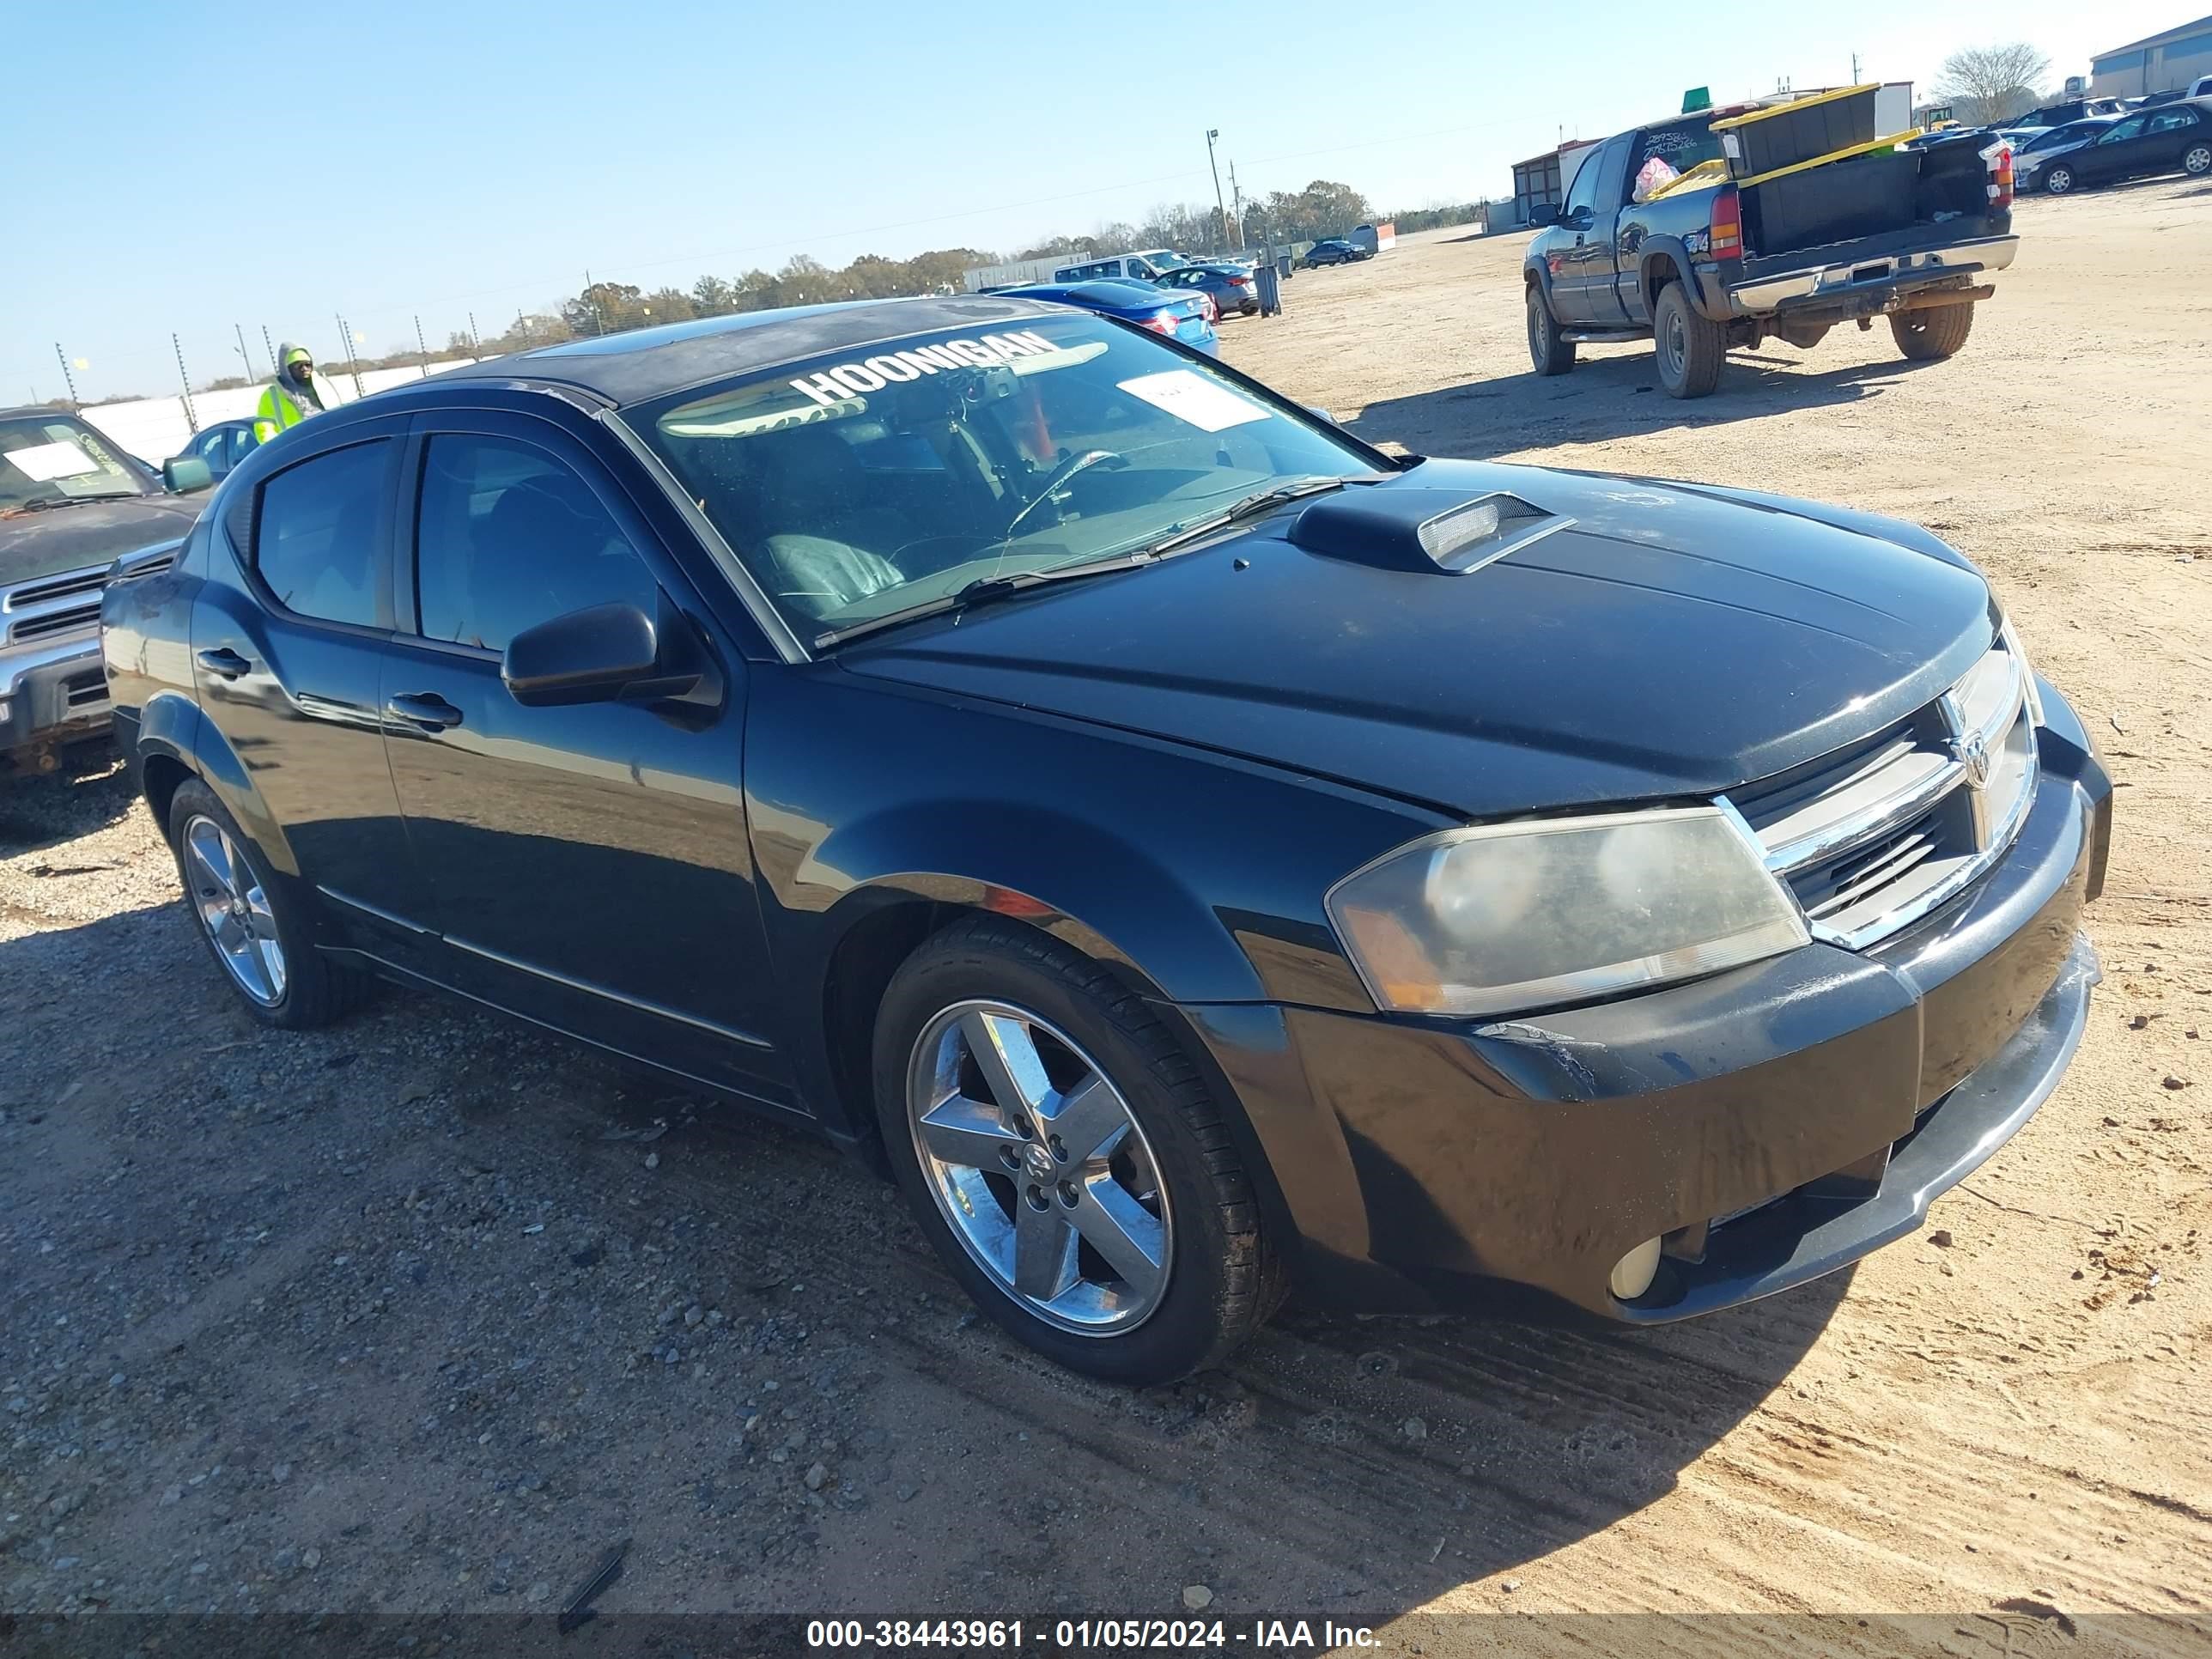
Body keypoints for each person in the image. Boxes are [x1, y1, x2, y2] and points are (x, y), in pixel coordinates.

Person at [252, 343, 341, 443]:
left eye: (307, 364)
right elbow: (264, 429)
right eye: (298, 366)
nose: (304, 369)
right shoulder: (272, 395)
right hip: (297, 451)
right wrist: (280, 451)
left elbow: (341, 414)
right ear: (287, 369)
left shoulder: (323, 385)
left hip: (332, 444)